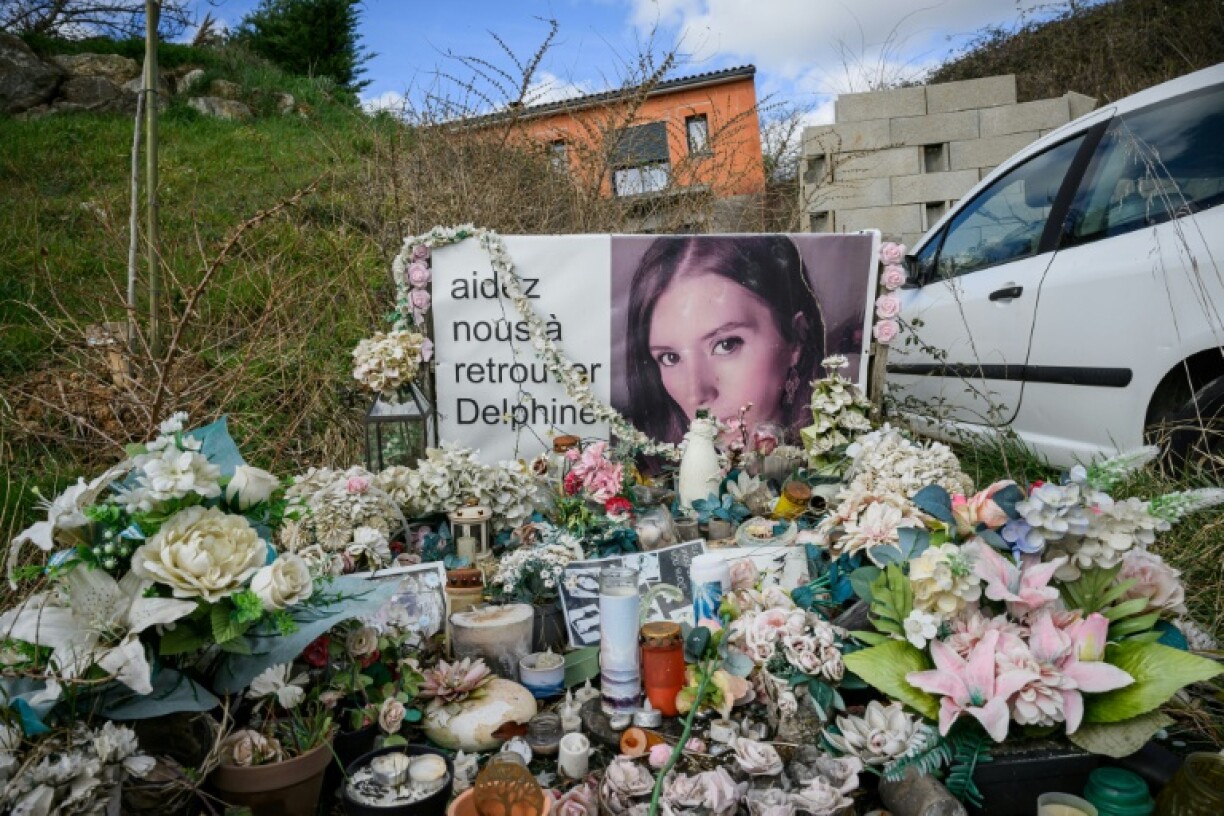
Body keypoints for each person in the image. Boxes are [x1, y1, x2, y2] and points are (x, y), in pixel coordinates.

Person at [622, 236, 825, 445]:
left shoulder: (841, 452)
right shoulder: (636, 461)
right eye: (670, 357)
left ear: (796, 338)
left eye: (726, 345)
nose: (696, 394)